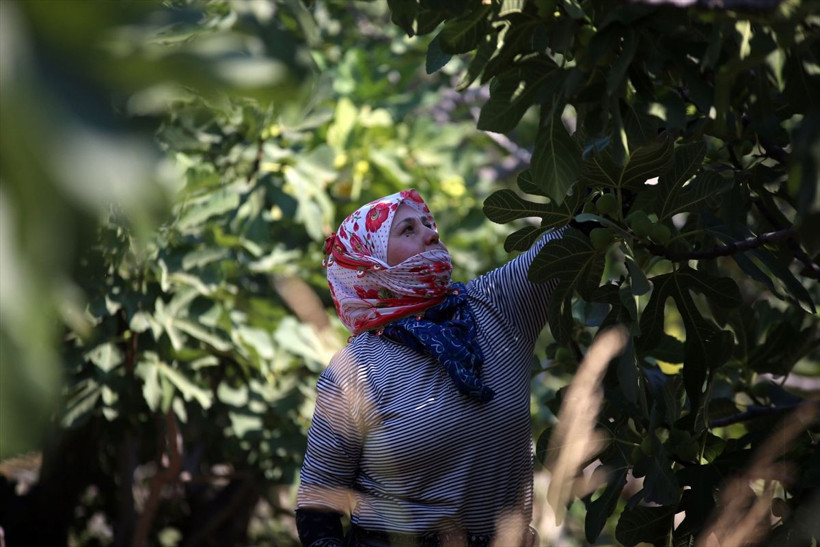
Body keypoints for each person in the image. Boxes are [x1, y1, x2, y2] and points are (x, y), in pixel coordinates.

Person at [295, 189, 562, 546]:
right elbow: (317, 505)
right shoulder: (356, 370)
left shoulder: (499, 306)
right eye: (408, 230)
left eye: (427, 223)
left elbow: (571, 239)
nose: (431, 232)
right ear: (369, 266)